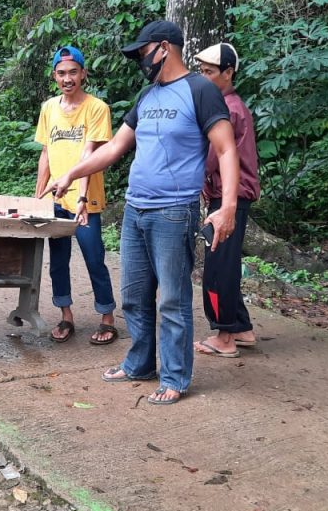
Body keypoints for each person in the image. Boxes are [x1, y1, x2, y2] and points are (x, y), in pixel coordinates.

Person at [50, 21, 240, 405]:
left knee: (172, 299)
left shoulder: (200, 90)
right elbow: (116, 146)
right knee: (134, 296)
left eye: (143, 52)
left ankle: (175, 376)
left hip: (173, 211)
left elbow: (226, 150)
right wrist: (72, 172)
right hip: (136, 208)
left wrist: (228, 207)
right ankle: (139, 363)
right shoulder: (148, 95)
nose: (140, 60)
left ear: (165, 48)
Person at [35, 45, 118, 345]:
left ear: (83, 73)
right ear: (54, 76)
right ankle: (66, 315)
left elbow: (89, 152)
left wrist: (81, 198)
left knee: (94, 256)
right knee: (58, 260)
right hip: (55, 201)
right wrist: (38, 198)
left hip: (86, 200)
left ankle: (107, 316)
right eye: (61, 73)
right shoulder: (48, 108)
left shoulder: (97, 108)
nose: (67, 78)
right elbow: (46, 153)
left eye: (73, 72)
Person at [191, 42, 261, 357]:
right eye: (201, 72)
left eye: (209, 72)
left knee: (218, 268)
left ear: (228, 73)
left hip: (228, 199)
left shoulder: (228, 110)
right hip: (228, 196)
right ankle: (241, 328)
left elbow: (211, 157)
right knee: (227, 262)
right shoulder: (228, 105)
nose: (203, 78)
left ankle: (224, 337)